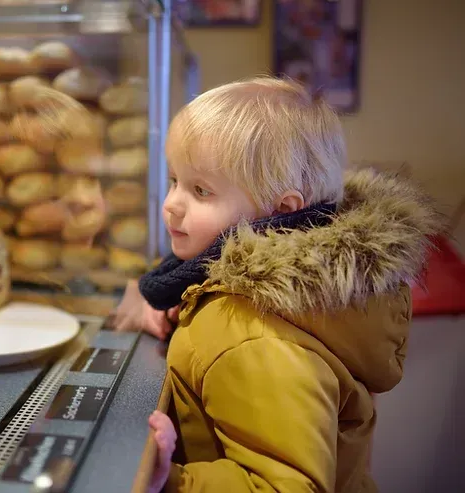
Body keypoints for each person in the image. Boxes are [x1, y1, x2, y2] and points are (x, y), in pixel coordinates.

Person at [110, 76, 440, 492]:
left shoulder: (255, 334)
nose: (172, 203)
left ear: (280, 210)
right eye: (174, 180)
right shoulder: (241, 295)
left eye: (201, 190)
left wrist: (172, 482)